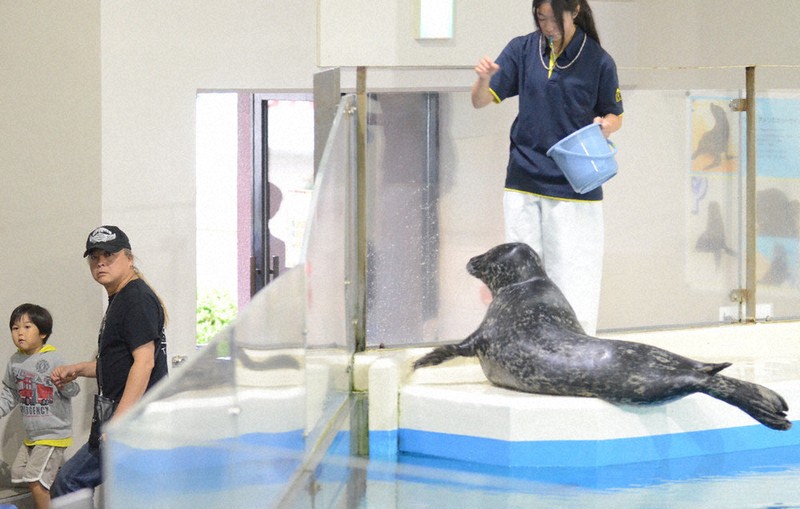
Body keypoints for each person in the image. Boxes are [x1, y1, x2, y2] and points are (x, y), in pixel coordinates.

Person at [471, 0, 623, 335]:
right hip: (523, 180)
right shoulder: (522, 49)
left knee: (573, 277)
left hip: (573, 187)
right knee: (521, 278)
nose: (548, 26)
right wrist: (483, 79)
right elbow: (480, 100)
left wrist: (606, 126)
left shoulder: (598, 60)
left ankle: (576, 348)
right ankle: (524, 343)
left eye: (555, 19)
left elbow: (615, 113)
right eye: (541, 18)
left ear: (575, 12)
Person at [50, 225, 168, 500]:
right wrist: (78, 369)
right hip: (128, 417)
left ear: (129, 258)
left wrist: (119, 422)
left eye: (109, 255)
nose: (100, 262)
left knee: (69, 482)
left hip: (132, 419)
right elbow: (121, 364)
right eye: (94, 257)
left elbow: (144, 363)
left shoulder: (135, 298)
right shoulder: (123, 298)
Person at [0, 304, 80, 509]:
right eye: (15, 328)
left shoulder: (53, 358)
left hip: (53, 433)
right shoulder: (15, 362)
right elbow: (10, 393)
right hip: (32, 436)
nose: (20, 333)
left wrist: (66, 382)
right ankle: (59, 487)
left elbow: (73, 391)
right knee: (19, 474)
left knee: (35, 479)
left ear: (43, 332)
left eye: (27, 327)